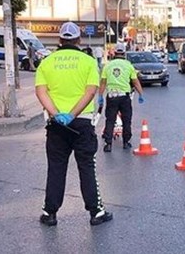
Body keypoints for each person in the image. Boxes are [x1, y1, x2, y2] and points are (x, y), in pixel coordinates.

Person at [35, 22, 113, 227]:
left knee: (56, 168)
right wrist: (72, 114)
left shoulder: (47, 62)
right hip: (82, 124)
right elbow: (90, 92)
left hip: (56, 125)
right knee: (87, 166)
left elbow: (41, 92)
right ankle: (96, 213)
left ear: (60, 40)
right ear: (78, 40)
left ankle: (49, 213)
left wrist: (57, 114)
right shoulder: (88, 62)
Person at [99, 43, 144, 152]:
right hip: (124, 97)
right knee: (126, 120)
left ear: (114, 53)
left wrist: (100, 96)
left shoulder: (108, 66)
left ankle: (108, 144)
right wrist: (140, 94)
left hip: (112, 96)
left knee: (110, 120)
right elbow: (135, 81)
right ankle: (126, 142)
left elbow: (103, 83)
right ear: (124, 53)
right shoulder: (128, 65)